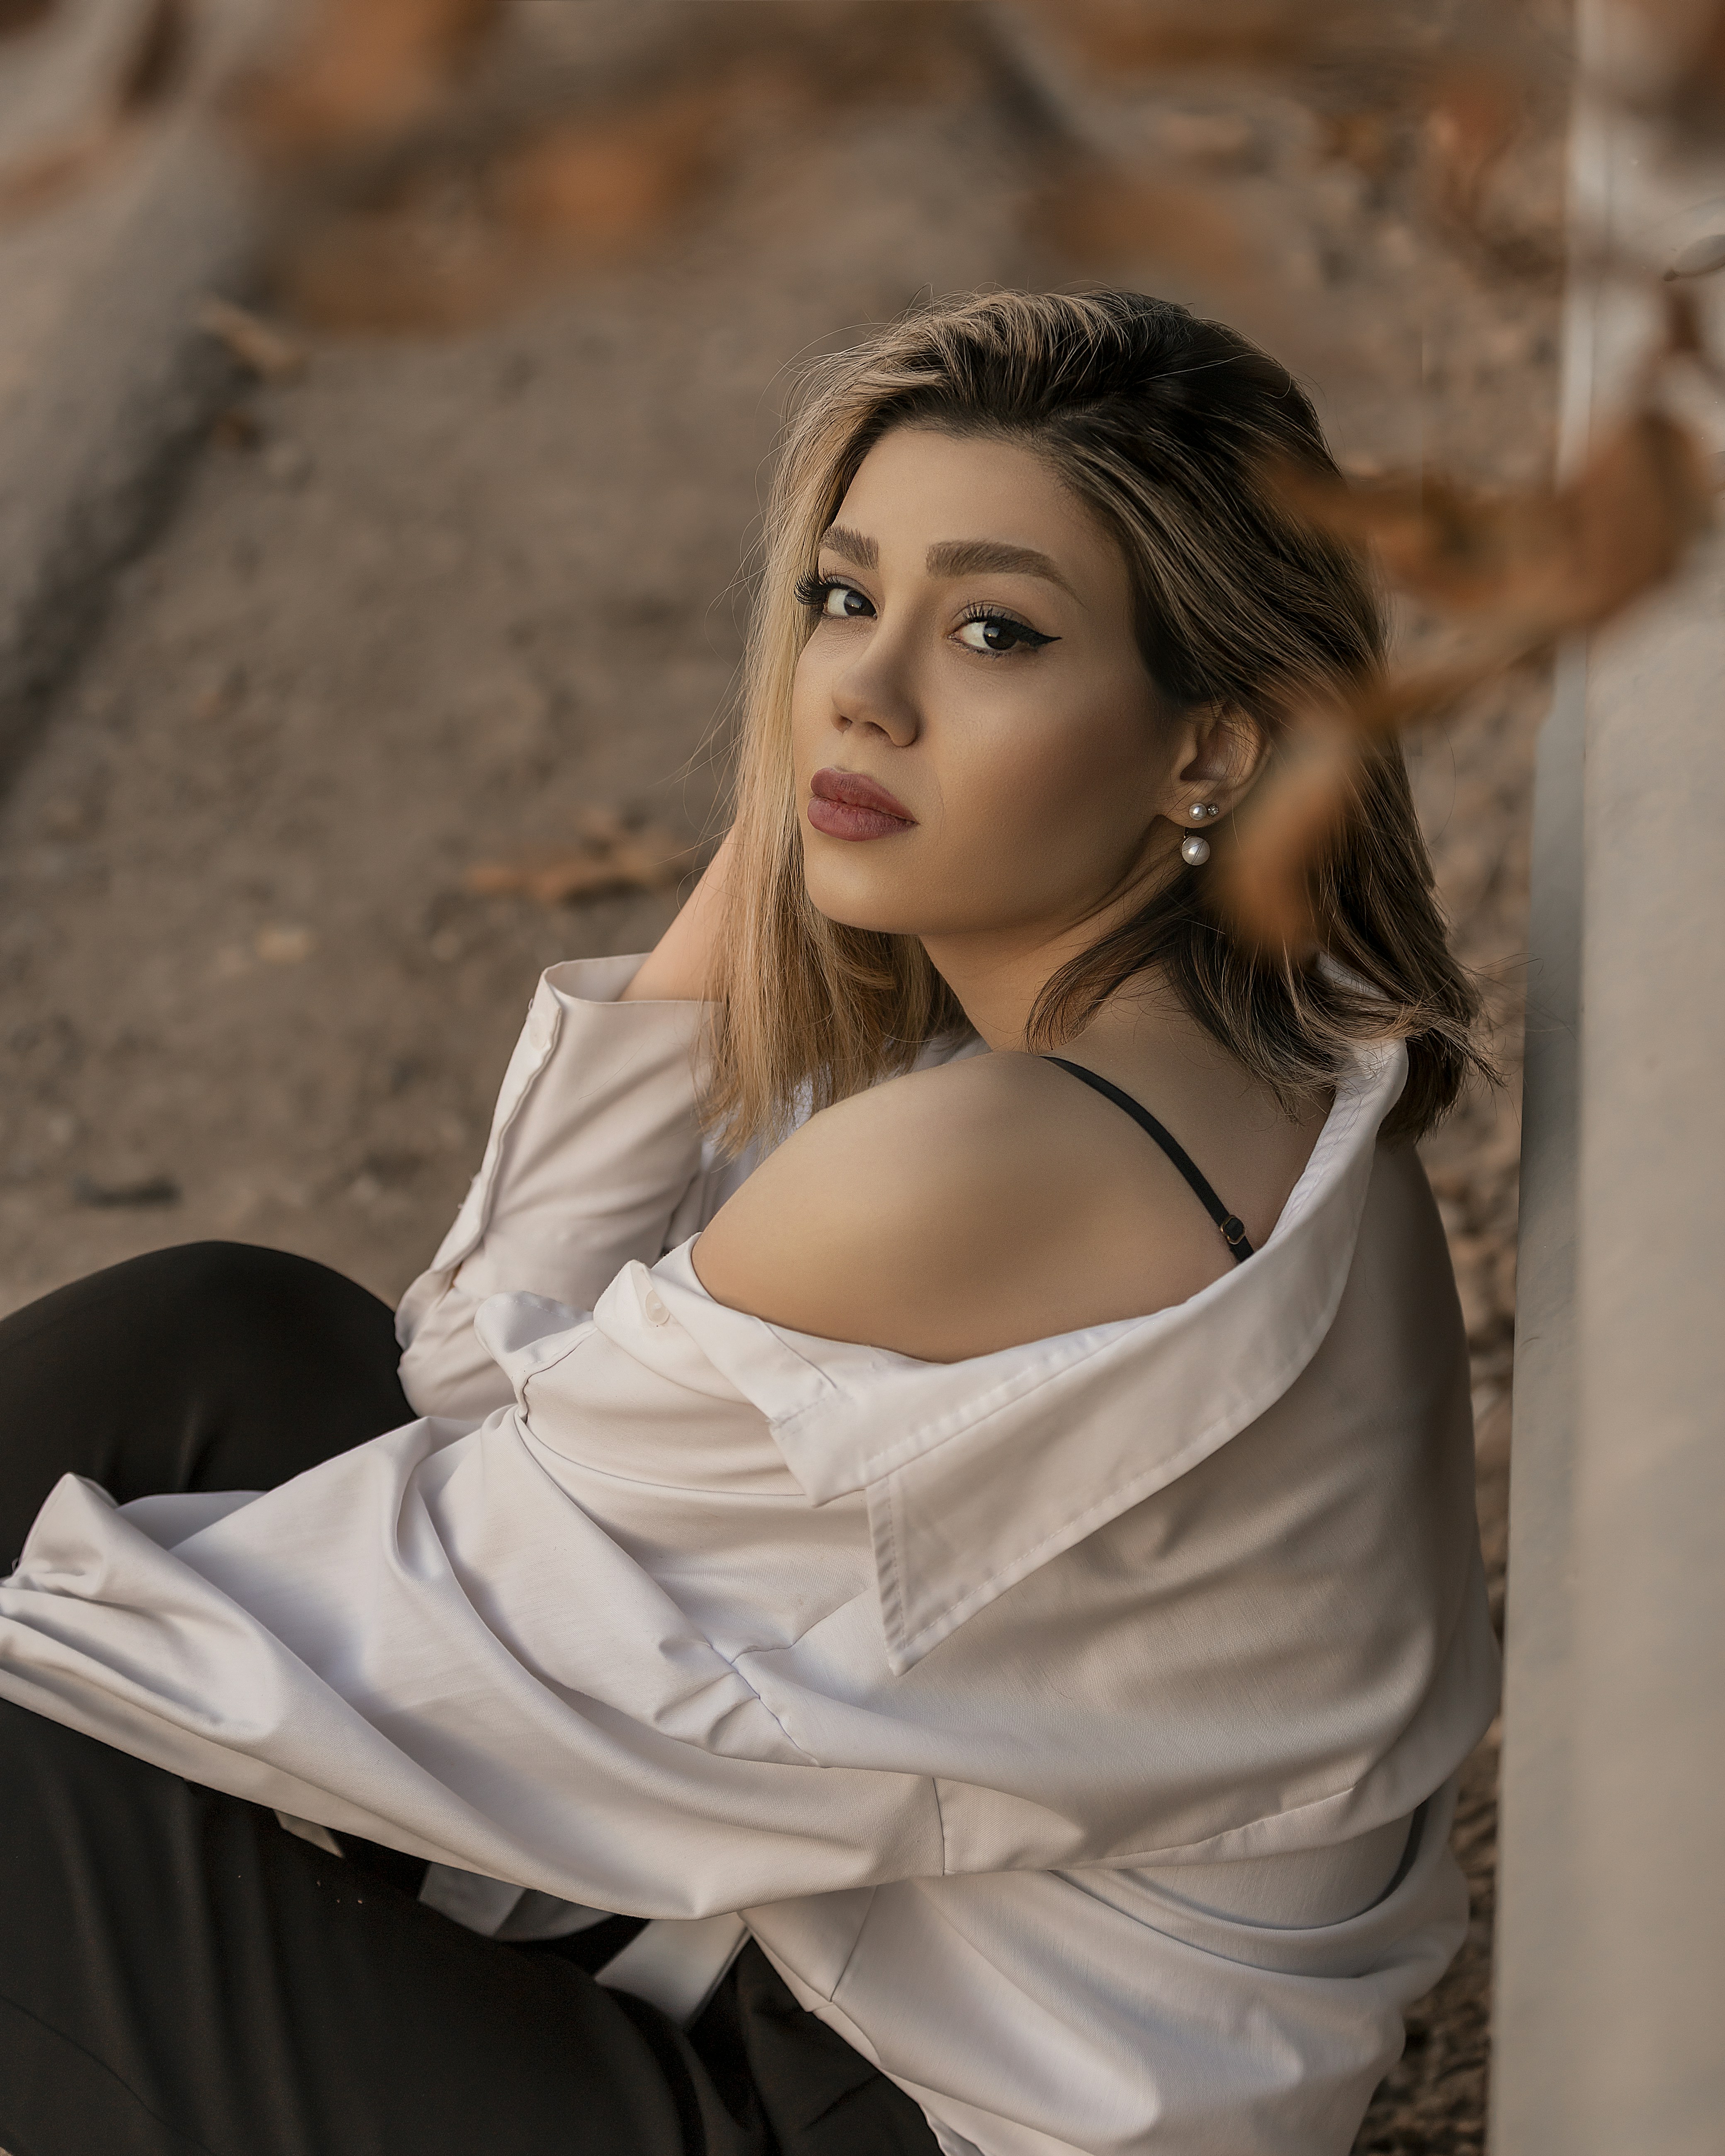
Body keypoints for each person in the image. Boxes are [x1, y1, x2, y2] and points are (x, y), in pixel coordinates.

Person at [0, 290, 1497, 2156]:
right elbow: (480, 1407)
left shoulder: (977, 1169)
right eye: (841, 598)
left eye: (994, 631)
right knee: (217, 1341)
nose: (864, 692)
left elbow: (460, 1482)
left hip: (909, 2106)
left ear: (1206, 750)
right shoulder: (1242, 1035)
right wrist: (806, 823)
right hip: (890, 1974)